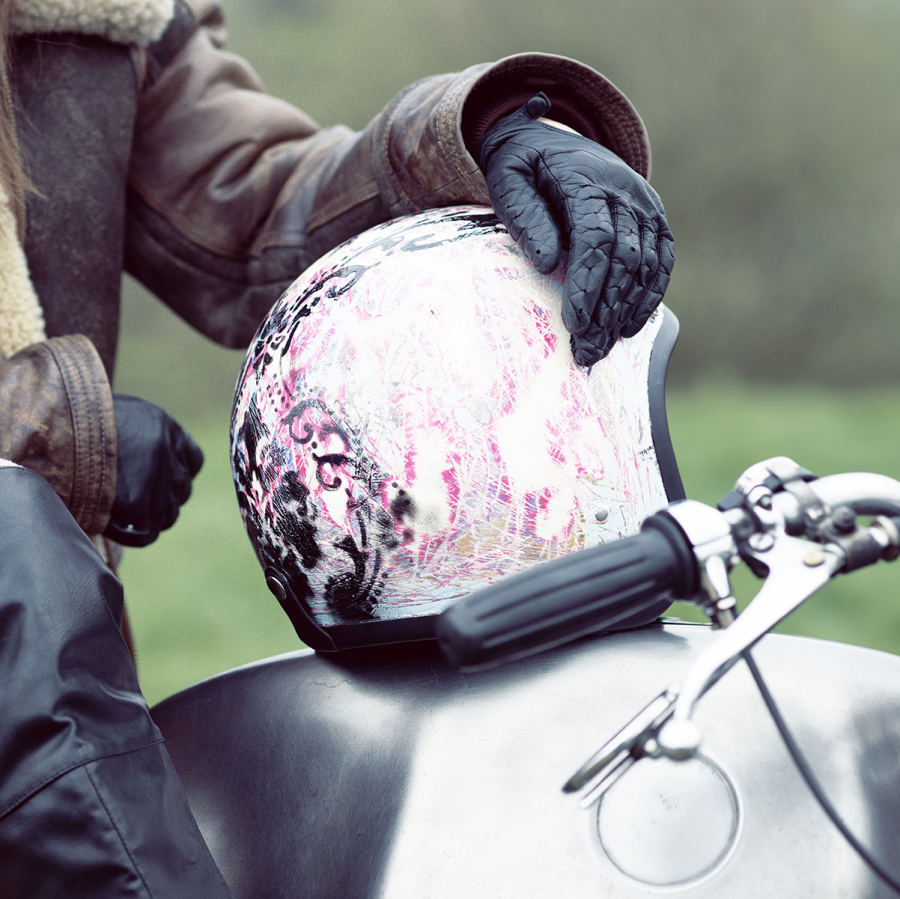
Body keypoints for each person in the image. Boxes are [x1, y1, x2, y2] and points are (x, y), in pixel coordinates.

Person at [0, 0, 674, 894]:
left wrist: (487, 133)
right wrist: (49, 427)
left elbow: (260, 199)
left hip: (40, 665)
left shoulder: (93, 14)